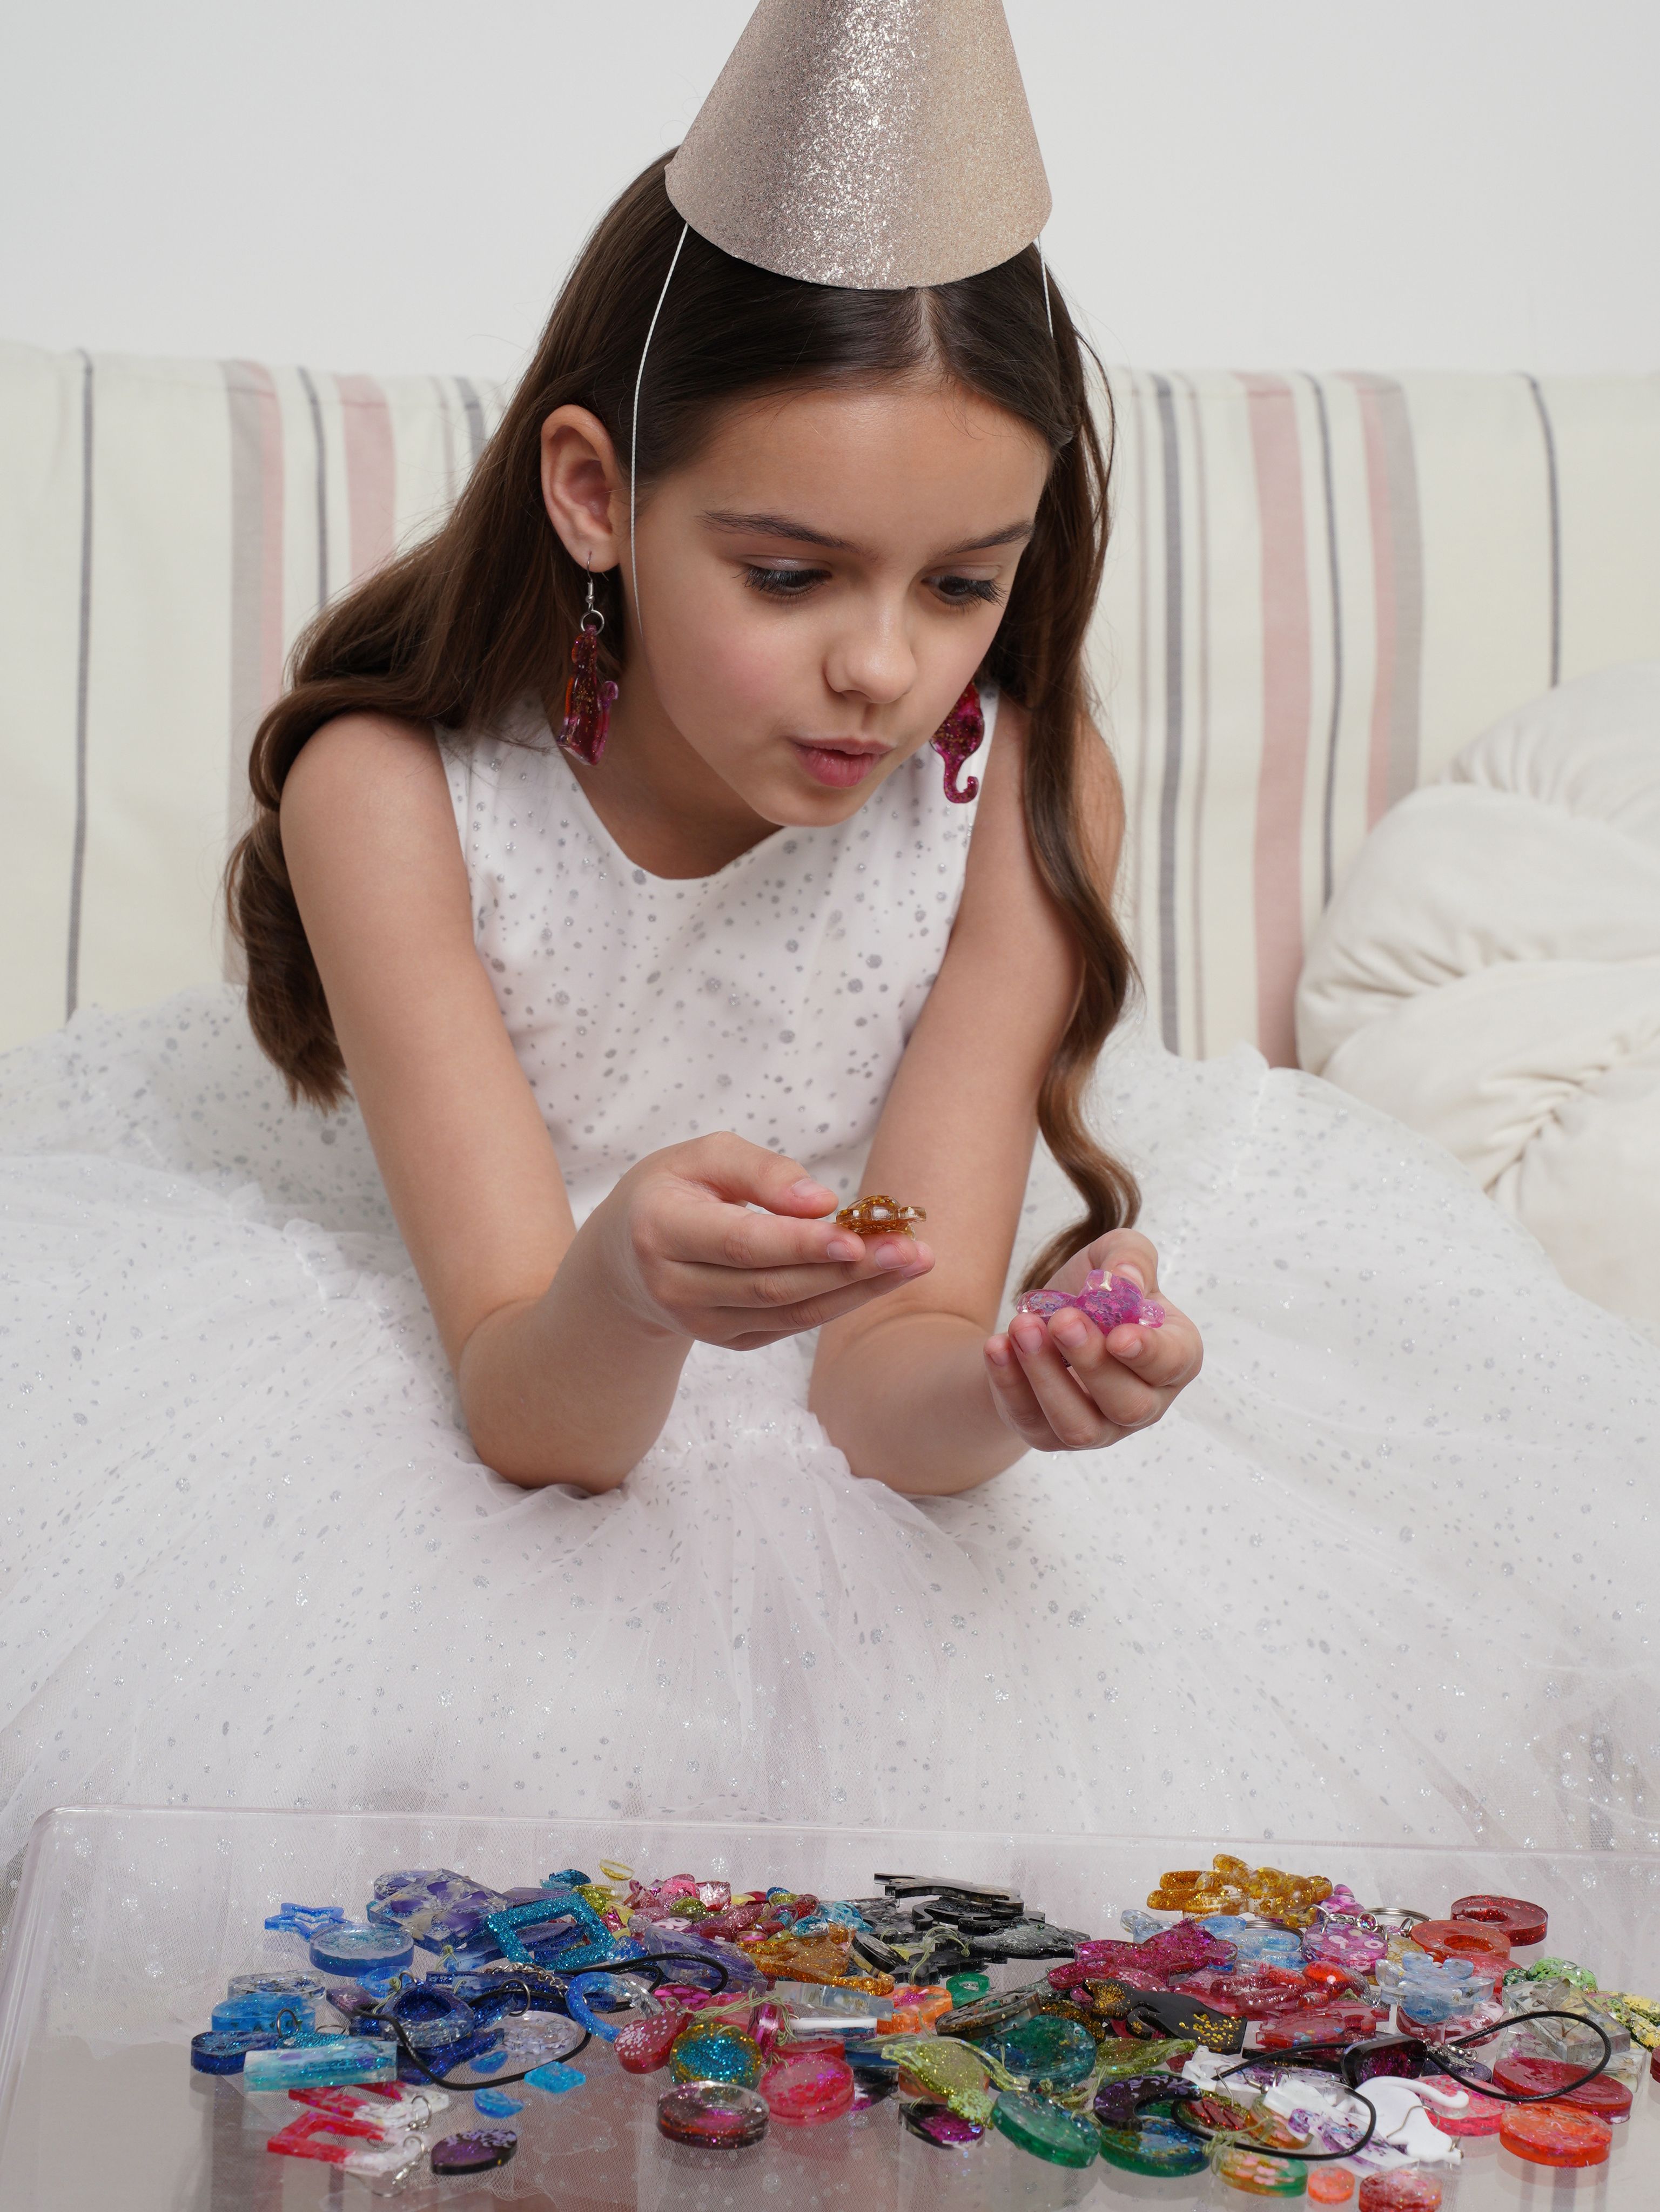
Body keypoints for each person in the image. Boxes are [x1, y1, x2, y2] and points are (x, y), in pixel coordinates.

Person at [2, 1, 1656, 1874]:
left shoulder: (1021, 792)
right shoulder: (387, 796)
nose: (882, 666)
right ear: (595, 494)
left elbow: (889, 1386)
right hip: (530, 1361)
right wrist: (625, 1286)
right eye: (788, 575)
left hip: (836, 1423)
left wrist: (1013, 1398)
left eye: (961, 583)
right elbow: (531, 1423)